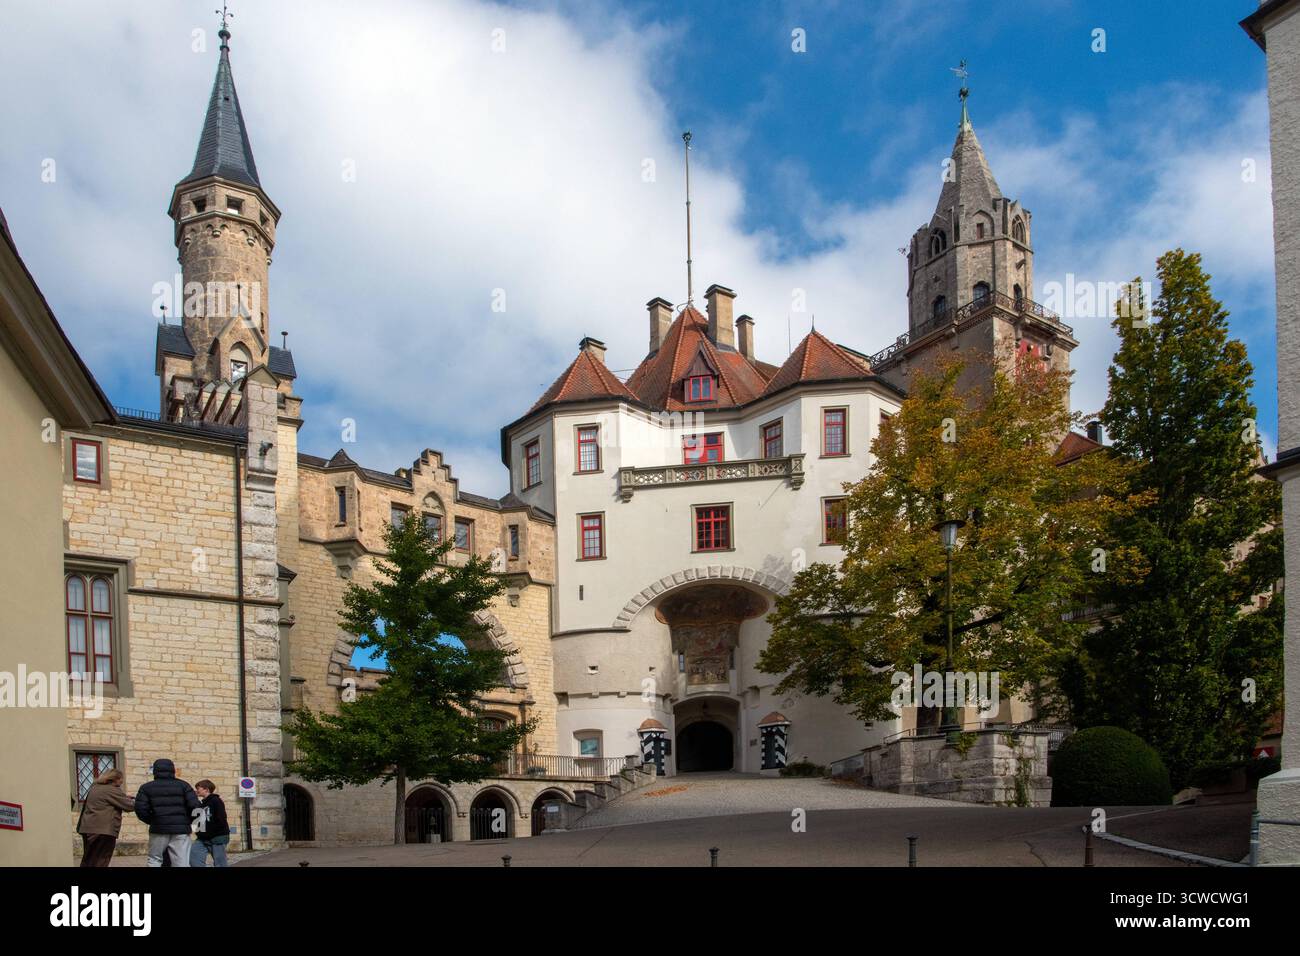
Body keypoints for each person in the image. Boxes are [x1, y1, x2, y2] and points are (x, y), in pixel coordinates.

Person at [134, 758, 199, 867]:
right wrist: (186, 821)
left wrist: (153, 820)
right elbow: (195, 807)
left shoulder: (146, 787)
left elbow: (140, 809)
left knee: (155, 860)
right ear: (172, 770)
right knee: (181, 862)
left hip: (158, 828)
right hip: (180, 829)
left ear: (155, 771)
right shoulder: (184, 786)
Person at [76, 768, 135, 867]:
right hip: (103, 830)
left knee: (88, 860)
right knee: (101, 860)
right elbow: (129, 806)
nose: (122, 782)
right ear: (115, 778)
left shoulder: (95, 787)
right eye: (121, 779)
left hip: (88, 828)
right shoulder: (112, 789)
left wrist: (123, 797)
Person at [189, 779, 231, 867]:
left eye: (198, 788)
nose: (197, 790)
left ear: (206, 789)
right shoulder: (201, 804)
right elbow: (195, 819)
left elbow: (221, 819)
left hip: (217, 837)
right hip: (202, 838)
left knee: (220, 863)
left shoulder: (216, 801)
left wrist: (211, 833)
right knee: (193, 856)